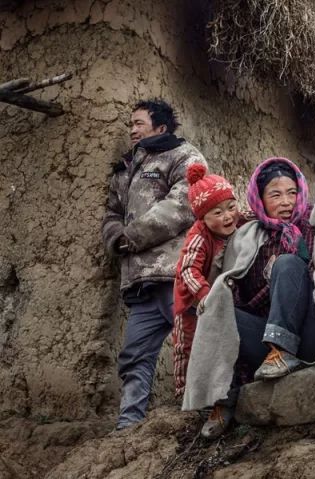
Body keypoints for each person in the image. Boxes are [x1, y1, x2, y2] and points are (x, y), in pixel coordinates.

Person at [199, 157, 315, 439]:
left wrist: (289, 272)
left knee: (287, 264)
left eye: (291, 193)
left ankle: (284, 349)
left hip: (312, 334)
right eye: (275, 194)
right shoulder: (246, 237)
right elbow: (236, 298)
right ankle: (225, 397)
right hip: (265, 347)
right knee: (217, 308)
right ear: (259, 198)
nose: (286, 202)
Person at [101, 99, 206, 430]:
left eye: (138, 123)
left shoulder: (183, 156)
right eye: (129, 124)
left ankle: (203, 414)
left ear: (160, 128)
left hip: (173, 272)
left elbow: (182, 204)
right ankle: (129, 426)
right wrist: (114, 236)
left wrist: (132, 236)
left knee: (194, 344)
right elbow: (111, 211)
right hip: (140, 281)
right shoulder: (125, 169)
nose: (131, 129)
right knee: (134, 354)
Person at [172, 164, 241, 397]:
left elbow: (252, 213)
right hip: (193, 301)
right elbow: (188, 271)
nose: (228, 216)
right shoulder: (199, 236)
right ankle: (183, 392)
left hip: (218, 298)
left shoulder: (237, 222)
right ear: (203, 216)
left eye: (231, 207)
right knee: (187, 346)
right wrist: (204, 295)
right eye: (218, 213)